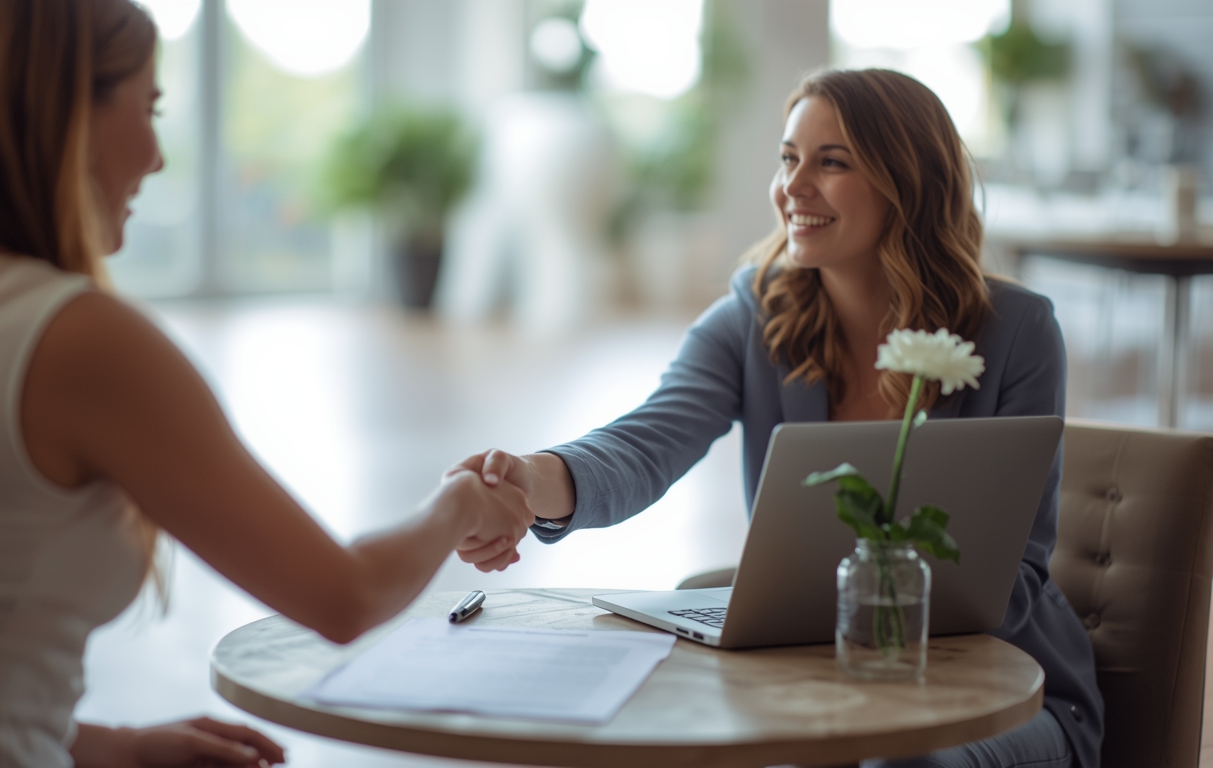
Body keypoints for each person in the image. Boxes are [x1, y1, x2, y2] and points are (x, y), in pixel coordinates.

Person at [0, 1, 532, 766]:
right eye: (146, 106)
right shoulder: (74, 341)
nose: (155, 155)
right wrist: (460, 503)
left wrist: (117, 747)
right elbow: (345, 597)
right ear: (62, 113)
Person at [452, 69, 1103, 768]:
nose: (793, 186)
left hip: (997, 695)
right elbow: (647, 442)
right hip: (819, 688)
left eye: (832, 162)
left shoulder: (1018, 333)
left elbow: (1014, 575)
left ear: (906, 181)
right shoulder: (753, 317)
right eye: (789, 158)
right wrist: (530, 480)